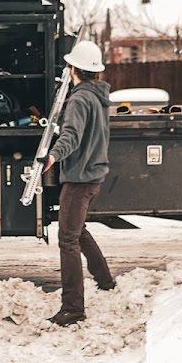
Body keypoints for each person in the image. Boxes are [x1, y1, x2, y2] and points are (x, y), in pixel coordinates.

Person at [43, 40, 116, 326]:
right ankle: (105, 280)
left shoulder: (79, 99)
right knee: (78, 230)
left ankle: (73, 308)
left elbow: (71, 135)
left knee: (67, 239)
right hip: (93, 175)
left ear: (73, 68)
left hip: (79, 179)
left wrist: (53, 155)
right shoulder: (98, 96)